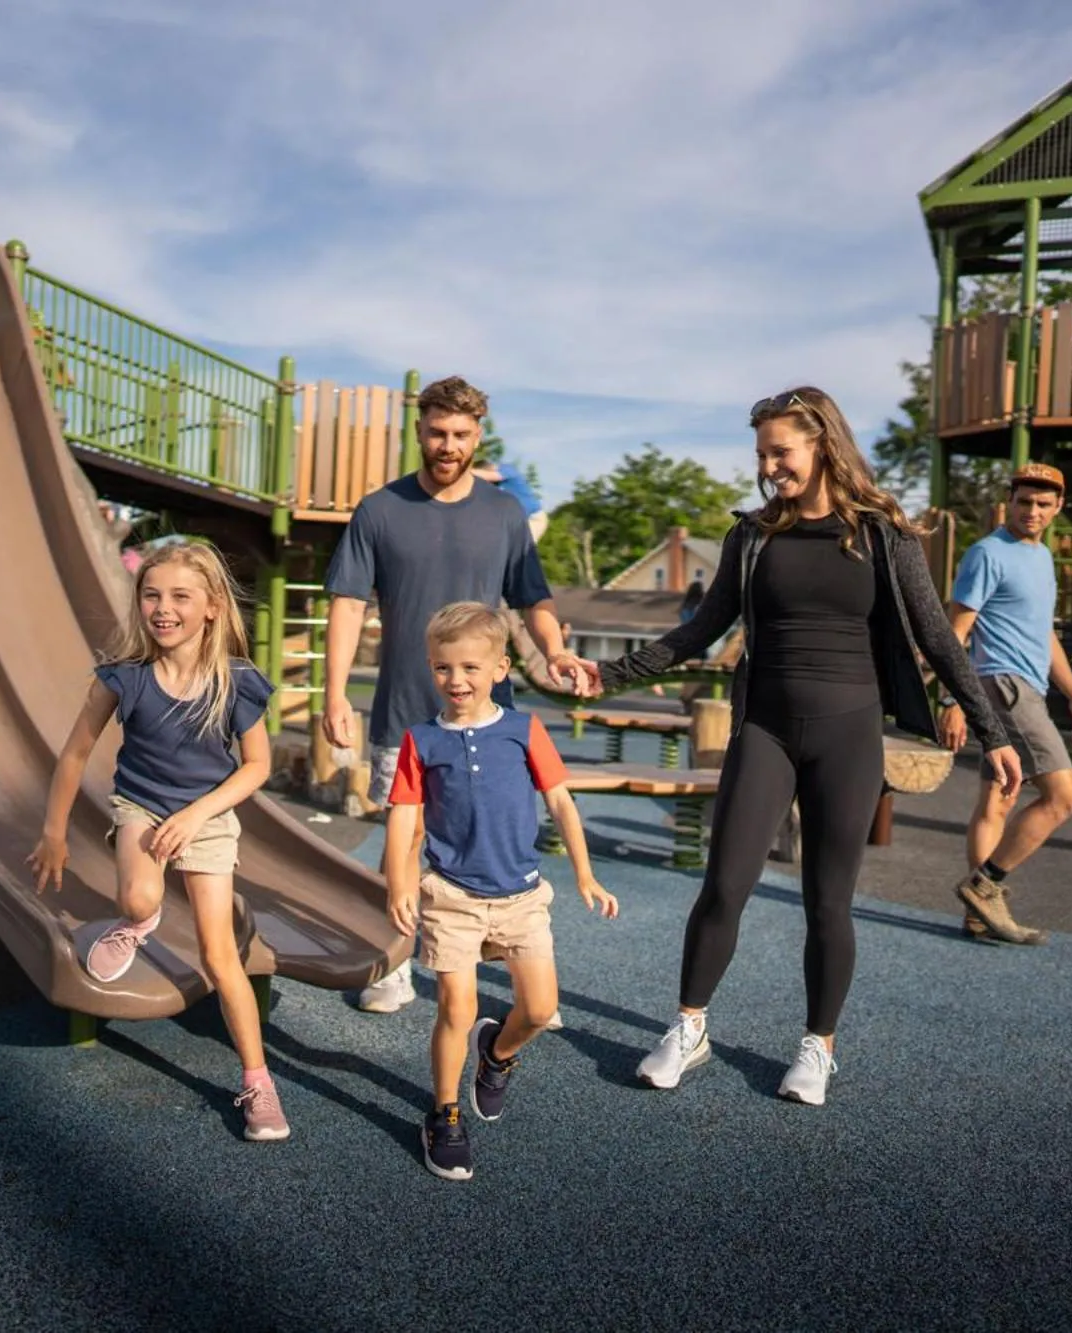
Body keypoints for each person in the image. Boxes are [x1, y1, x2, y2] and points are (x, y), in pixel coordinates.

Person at [595, 386, 1022, 1108]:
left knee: (828, 901)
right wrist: (607, 674)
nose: (768, 468)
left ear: (822, 443)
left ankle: (818, 1046)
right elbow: (699, 631)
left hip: (847, 736)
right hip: (764, 729)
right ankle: (689, 1028)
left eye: (780, 452)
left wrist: (993, 733)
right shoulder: (752, 537)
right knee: (724, 884)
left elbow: (939, 638)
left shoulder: (883, 534)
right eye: (761, 455)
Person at [322, 375, 596, 1015]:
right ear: (419, 431)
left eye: (462, 434)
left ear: (479, 436)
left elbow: (533, 598)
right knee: (405, 838)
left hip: (487, 717)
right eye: (438, 432)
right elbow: (347, 603)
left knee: (492, 834)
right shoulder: (379, 511)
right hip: (405, 709)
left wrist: (554, 650)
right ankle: (394, 960)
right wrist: (334, 693)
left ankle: (518, 966)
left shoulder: (504, 514)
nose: (449, 445)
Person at [27, 540, 289, 1140]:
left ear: (212, 606)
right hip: (141, 807)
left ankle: (258, 1082)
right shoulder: (124, 678)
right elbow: (74, 755)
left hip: (207, 816)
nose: (163, 608)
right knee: (139, 899)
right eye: (152, 595)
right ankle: (135, 923)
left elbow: (257, 766)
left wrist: (197, 816)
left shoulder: (236, 682)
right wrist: (53, 833)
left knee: (220, 956)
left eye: (180, 597)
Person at [385, 603, 617, 1180]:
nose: (456, 680)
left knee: (538, 1009)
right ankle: (444, 1113)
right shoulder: (421, 740)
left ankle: (497, 1053)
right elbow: (404, 817)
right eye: (443, 668)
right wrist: (398, 883)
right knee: (456, 1007)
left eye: (470, 667)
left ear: (499, 669)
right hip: (451, 894)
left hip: (521, 896)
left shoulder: (523, 730)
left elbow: (560, 801)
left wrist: (585, 873)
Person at [936, 463, 1072, 945]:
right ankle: (985, 886)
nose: (1033, 511)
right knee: (1064, 799)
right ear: (1009, 501)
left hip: (1029, 687)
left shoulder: (1042, 557)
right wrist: (952, 698)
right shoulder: (988, 553)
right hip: (1004, 686)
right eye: (1024, 501)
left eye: (1043, 504)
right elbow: (956, 631)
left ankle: (978, 916)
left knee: (998, 799)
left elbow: (1043, 634)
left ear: (1058, 507)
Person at [472, 459, 549, 543]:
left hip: (533, 518)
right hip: (516, 522)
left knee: (520, 546)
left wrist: (465, 473)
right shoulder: (493, 487)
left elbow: (491, 476)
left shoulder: (507, 470)